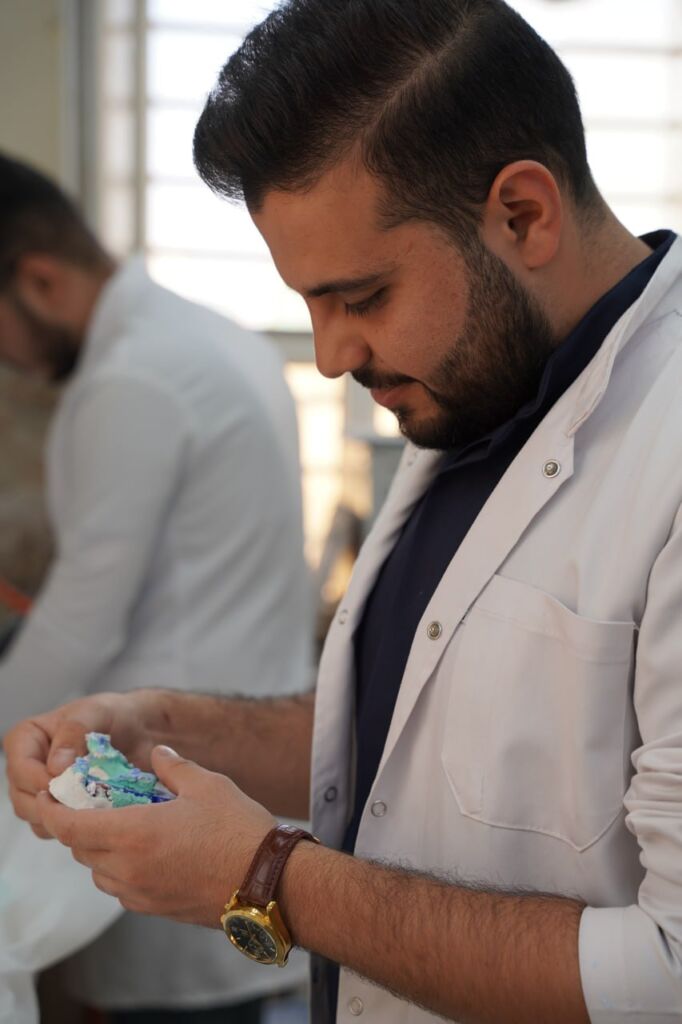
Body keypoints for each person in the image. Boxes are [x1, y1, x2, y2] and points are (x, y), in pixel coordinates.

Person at [6, 1, 682, 1021]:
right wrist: (165, 728)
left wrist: (267, 877)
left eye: (361, 297)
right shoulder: (475, 393)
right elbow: (410, 733)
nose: (330, 356)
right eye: (310, 304)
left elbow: (667, 971)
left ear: (522, 215)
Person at [0, 154, 312, 1021]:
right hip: (244, 763)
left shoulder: (132, 377)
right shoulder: (213, 338)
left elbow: (81, 620)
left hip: (172, 780)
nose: (8, 361)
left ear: (39, 280)